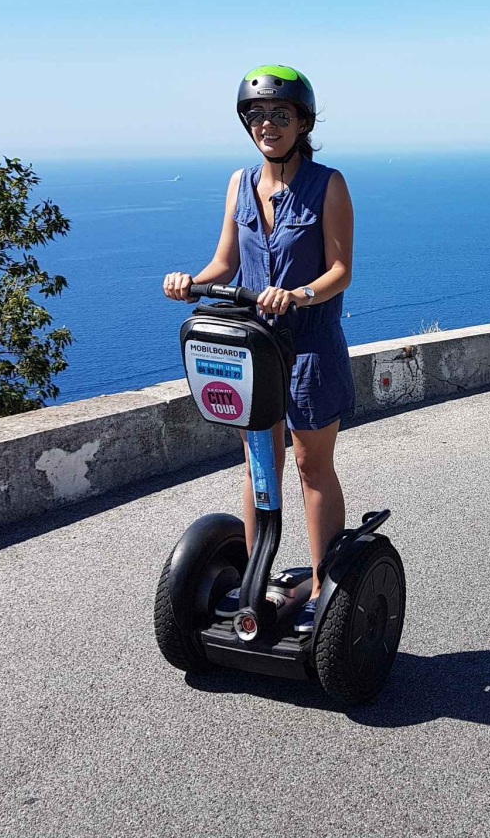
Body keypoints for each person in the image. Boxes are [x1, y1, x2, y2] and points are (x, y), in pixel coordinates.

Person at [163, 64, 355, 632]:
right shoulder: (239, 183)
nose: (267, 124)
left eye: (280, 114)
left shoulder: (329, 184)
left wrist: (297, 294)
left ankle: (324, 585)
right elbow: (224, 262)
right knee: (258, 464)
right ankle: (259, 579)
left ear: (302, 122)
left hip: (312, 346)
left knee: (309, 465)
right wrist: (188, 281)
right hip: (255, 345)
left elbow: (341, 269)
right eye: (257, 115)